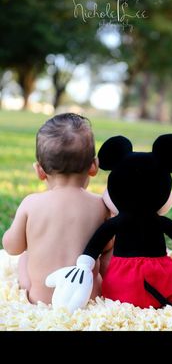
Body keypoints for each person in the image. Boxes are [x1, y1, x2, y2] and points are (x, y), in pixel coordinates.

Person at [2, 113, 110, 305]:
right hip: (86, 298)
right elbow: (110, 244)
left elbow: (12, 247)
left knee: (25, 257)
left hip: (40, 299)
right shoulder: (100, 205)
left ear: (40, 171)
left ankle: (31, 286)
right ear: (94, 166)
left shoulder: (31, 203)